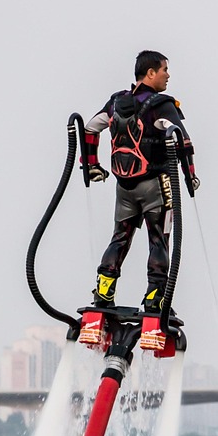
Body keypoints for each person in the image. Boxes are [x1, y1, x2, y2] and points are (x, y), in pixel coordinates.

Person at [82, 50, 199, 315]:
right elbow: (183, 141)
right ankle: (155, 300)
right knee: (158, 241)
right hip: (156, 186)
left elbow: (90, 128)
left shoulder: (116, 102)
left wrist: (91, 166)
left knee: (119, 239)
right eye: (164, 70)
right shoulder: (162, 105)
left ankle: (103, 293)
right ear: (150, 73)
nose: (168, 76)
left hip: (124, 187)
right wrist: (190, 176)